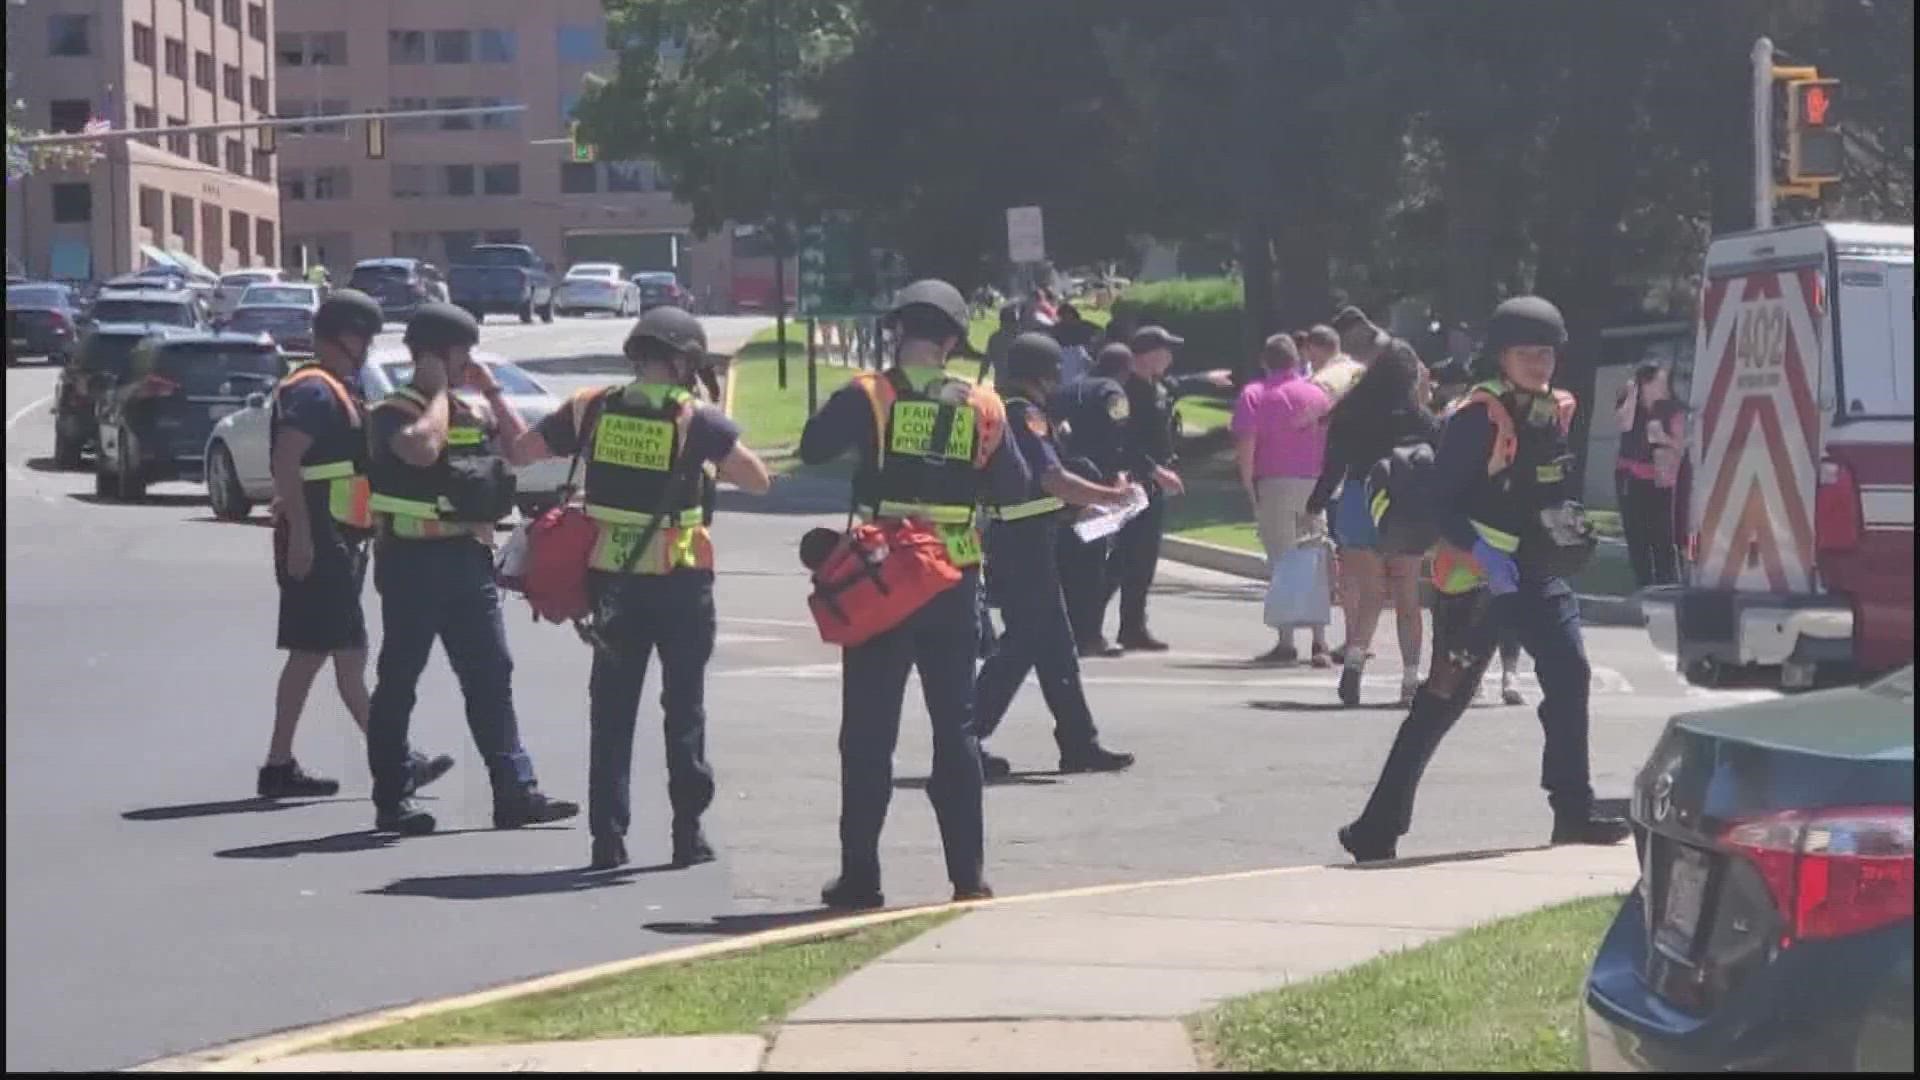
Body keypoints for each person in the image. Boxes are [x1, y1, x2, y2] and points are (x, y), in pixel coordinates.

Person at [1338, 297, 1630, 862]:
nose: (1539, 363)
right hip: (1478, 584)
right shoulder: (1478, 417)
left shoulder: (1555, 410)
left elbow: (1547, 488)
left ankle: (1573, 809)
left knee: (1570, 675)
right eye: (1527, 353)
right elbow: (1437, 502)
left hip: (1538, 574)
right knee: (1442, 702)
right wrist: (1485, 557)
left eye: (1546, 352)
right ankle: (1376, 827)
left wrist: (1569, 527)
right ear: (1503, 357)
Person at [508, 307, 771, 870]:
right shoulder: (695, 418)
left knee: (611, 713)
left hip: (612, 582)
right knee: (684, 711)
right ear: (682, 362)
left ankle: (608, 839)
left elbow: (524, 450)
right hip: (680, 583)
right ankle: (687, 835)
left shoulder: (593, 407)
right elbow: (757, 478)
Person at [798, 279, 1015, 910]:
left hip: (881, 577)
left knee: (868, 731)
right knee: (957, 729)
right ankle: (968, 876)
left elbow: (813, 448)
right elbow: (1008, 484)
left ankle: (861, 878)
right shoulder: (986, 405)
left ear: (898, 332)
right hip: (951, 578)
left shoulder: (870, 394)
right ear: (951, 340)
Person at [363, 303, 579, 836]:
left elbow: (521, 452)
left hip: (467, 560)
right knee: (400, 682)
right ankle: (392, 799)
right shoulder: (391, 411)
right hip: (411, 562)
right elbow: (422, 450)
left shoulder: (470, 409)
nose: (469, 362)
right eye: (462, 354)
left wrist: (494, 394)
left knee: (491, 676)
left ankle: (515, 792)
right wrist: (438, 390)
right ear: (437, 355)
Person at [259, 288, 454, 799]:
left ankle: (282, 765)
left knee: (319, 654)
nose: (367, 347)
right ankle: (396, 759)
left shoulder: (336, 386)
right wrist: (301, 533)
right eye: (364, 336)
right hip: (321, 536)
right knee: (342, 653)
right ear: (343, 336)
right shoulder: (314, 390)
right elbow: (286, 460)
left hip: (337, 535)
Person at [974, 332, 1137, 780]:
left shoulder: (1003, 409)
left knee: (1056, 649)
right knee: (1022, 645)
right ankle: (964, 738)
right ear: (1045, 373)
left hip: (1025, 537)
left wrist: (1084, 507)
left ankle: (1079, 742)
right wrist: (1112, 496)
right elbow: (1051, 478)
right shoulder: (1023, 414)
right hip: (1022, 544)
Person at [1308, 339, 1440, 706]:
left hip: (1357, 500)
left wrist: (1314, 504)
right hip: (1403, 505)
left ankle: (1353, 666)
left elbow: (1332, 466)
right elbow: (1439, 454)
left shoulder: (1351, 411)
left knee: (1369, 594)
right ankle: (1411, 679)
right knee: (1407, 597)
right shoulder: (1419, 417)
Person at [1104, 326, 1233, 652]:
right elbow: (1123, 442)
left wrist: (1208, 378)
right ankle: (1087, 624)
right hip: (1136, 481)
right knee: (1122, 558)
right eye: (1166, 350)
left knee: (1143, 559)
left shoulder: (1157, 385)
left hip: (1155, 482)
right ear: (1146, 355)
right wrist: (1155, 471)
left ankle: (1133, 627)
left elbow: (1182, 383)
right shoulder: (1124, 393)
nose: (1171, 356)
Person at [1232, 333, 1334, 666]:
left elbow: (1247, 444)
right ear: (1296, 360)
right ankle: (1320, 639)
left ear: (1265, 360)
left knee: (1282, 559)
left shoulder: (1254, 395)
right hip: (1314, 483)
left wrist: (1249, 486)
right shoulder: (1317, 394)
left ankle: (1286, 639)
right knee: (1314, 556)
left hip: (1274, 482)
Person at [1434, 356, 1525, 707]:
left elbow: (1445, 481)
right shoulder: (1529, 410)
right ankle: (1509, 674)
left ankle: (1460, 681)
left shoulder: (1463, 413)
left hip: (1468, 531)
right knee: (1503, 604)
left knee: (1458, 611)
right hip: (1503, 528)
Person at [1050, 342, 1136, 657]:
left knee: (1066, 562)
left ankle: (1068, 629)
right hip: (1096, 481)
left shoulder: (1067, 389)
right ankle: (1089, 635)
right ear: (1125, 369)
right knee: (1095, 565)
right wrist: (1119, 476)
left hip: (1061, 478)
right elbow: (1119, 436)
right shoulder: (1114, 393)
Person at [1614, 361, 1681, 588]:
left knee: (1663, 536)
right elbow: (1623, 423)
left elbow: (1682, 445)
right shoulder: (1631, 403)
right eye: (1659, 382)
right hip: (1630, 478)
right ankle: (1643, 585)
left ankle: (1667, 583)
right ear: (1644, 384)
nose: (1664, 387)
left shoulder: (1670, 409)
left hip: (1661, 479)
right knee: (1637, 536)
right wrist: (1632, 394)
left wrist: (1663, 438)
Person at [1051, 302, 1098, 384]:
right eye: (1062, 315)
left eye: (1066, 314)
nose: (1064, 317)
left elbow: (1099, 333)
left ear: (1072, 314)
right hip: (1065, 359)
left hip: (1083, 356)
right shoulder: (1057, 329)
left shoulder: (1085, 326)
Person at [980, 303, 1021, 386]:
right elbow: (986, 361)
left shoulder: (995, 337)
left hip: (1002, 382)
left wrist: (979, 379)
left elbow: (986, 361)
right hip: (1014, 383)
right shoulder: (1019, 339)